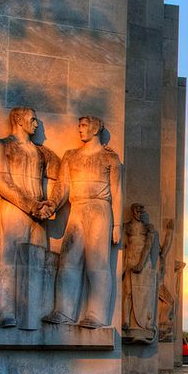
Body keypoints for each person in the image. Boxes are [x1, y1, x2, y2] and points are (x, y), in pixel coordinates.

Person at [43, 116, 122, 328]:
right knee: (68, 260)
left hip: (99, 208)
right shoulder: (71, 156)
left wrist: (117, 225)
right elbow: (63, 186)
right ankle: (64, 311)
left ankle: (97, 314)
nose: (80, 129)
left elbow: (116, 192)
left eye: (84, 125)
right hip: (77, 208)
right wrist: (52, 205)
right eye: (79, 126)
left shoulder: (110, 158)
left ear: (95, 129)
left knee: (97, 263)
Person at [0, 107, 58, 328]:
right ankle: (5, 312)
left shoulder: (42, 152)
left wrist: (49, 204)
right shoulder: (2, 145)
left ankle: (36, 313)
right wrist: (30, 205)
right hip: (16, 209)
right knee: (9, 259)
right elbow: (2, 183)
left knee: (39, 262)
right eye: (33, 120)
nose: (36, 125)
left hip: (39, 214)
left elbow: (67, 171)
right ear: (19, 120)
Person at [121, 203, 173, 341]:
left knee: (144, 294)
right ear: (133, 211)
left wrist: (141, 264)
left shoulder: (149, 228)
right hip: (130, 261)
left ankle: (145, 322)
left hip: (144, 264)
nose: (140, 213)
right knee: (127, 292)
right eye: (138, 211)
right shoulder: (126, 227)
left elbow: (148, 246)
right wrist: (123, 267)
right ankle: (125, 321)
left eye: (142, 211)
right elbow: (124, 247)